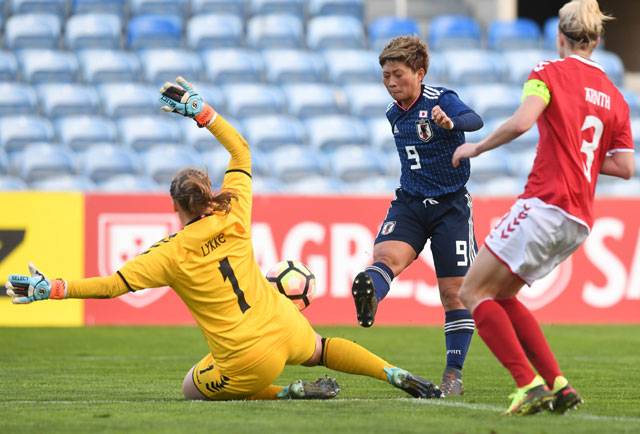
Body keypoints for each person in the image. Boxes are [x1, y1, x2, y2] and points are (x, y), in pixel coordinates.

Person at [5, 77, 442, 402]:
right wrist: (201, 111)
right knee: (323, 347)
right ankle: (394, 373)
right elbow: (241, 151)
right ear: (208, 192)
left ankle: (286, 393)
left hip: (247, 360)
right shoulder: (233, 211)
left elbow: (111, 286)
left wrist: (53, 289)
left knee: (191, 388)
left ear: (176, 208)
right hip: (285, 326)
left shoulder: (169, 255)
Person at [451, 0, 634, 416]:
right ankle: (559, 384)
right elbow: (625, 166)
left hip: (545, 202)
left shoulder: (546, 73)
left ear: (560, 36)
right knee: (505, 294)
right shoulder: (616, 98)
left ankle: (527, 383)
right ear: (598, 39)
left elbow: (521, 122)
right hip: (579, 219)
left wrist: (476, 146)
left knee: (472, 291)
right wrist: (580, 156)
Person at [351, 36, 484, 396]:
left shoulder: (440, 99)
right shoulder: (394, 113)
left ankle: (453, 374)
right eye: (385, 76)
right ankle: (369, 297)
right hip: (410, 201)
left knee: (453, 293)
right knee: (384, 258)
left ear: (419, 73)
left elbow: (475, 120)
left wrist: (450, 122)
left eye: (397, 74)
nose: (391, 83)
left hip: (450, 206)